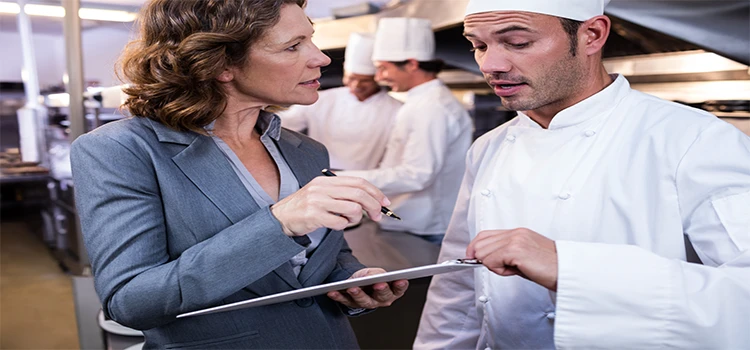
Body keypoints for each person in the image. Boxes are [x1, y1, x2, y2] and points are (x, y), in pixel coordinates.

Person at [70, 1, 408, 348]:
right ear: (222, 65)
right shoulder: (122, 151)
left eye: (311, 39)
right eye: (293, 46)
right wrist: (279, 223)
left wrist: (352, 279)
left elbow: (324, 256)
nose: (321, 58)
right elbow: (130, 302)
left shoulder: (305, 150)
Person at [415, 0, 750, 348]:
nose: (491, 65)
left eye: (518, 43)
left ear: (592, 35)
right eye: (479, 46)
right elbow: (458, 291)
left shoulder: (693, 140)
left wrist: (573, 270)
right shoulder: (488, 147)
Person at [337, 17, 474, 245]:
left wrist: (341, 179)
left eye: (383, 68)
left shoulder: (432, 107)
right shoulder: (421, 101)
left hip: (425, 228)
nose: (379, 77)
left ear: (411, 64)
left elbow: (417, 174)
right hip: (410, 222)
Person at [278, 32, 402, 171]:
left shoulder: (396, 109)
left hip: (368, 179)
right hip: (319, 175)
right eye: (351, 78)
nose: (356, 85)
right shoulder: (320, 100)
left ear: (378, 78)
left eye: (365, 81)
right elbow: (284, 123)